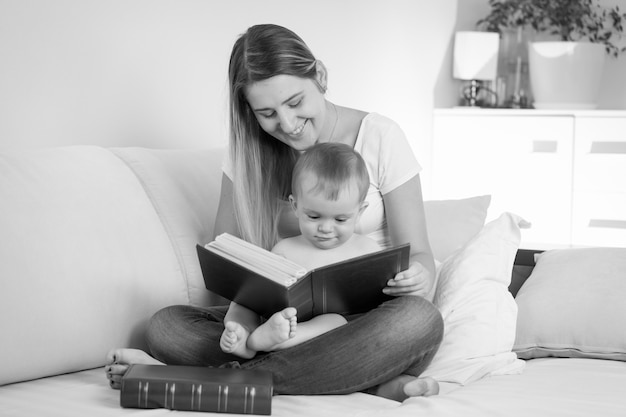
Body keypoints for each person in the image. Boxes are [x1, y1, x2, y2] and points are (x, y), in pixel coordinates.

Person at [106, 23, 443, 401]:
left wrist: (418, 276)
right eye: (266, 113)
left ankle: (199, 383)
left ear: (320, 76)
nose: (286, 124)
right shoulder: (249, 154)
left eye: (295, 102)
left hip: (364, 322)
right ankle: (366, 380)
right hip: (278, 323)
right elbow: (227, 261)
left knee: (419, 321)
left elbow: (420, 255)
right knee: (167, 326)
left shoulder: (380, 136)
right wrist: (255, 313)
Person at [220, 142, 382, 359]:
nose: (325, 228)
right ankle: (241, 335)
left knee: (336, 321)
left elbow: (381, 306)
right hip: (282, 321)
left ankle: (268, 343)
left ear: (360, 212)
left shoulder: (368, 249)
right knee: (242, 299)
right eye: (313, 217)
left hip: (336, 340)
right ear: (295, 206)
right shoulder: (285, 249)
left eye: (341, 219)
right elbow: (263, 298)